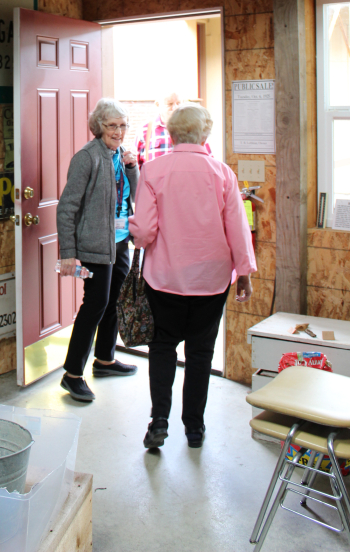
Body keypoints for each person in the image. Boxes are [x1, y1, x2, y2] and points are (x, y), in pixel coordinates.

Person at [129, 104, 256, 449]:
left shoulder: (153, 171)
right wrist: (243, 273)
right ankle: (195, 428)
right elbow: (238, 230)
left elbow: (143, 231)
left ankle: (159, 420)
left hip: (164, 278)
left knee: (162, 347)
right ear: (205, 134)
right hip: (211, 281)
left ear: (170, 134)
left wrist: (137, 237)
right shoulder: (223, 174)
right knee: (200, 353)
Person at [56, 98, 139, 402]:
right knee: (95, 304)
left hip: (120, 240)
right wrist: (68, 251)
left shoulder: (119, 155)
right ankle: (72, 374)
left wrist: (132, 168)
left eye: (122, 125)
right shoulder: (87, 157)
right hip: (94, 246)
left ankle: (105, 359)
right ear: (98, 126)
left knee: (114, 301)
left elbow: (132, 195)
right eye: (112, 125)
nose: (119, 131)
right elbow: (67, 208)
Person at [135, 92, 181, 168]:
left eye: (178, 103)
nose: (175, 108)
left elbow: (206, 162)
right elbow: (135, 166)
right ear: (157, 105)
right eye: (170, 104)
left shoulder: (193, 130)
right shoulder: (144, 130)